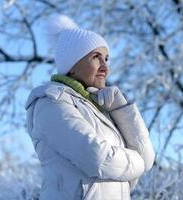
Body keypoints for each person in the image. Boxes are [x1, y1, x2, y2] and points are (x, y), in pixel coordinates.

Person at [25, 14, 155, 200]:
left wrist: (121, 110)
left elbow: (147, 159)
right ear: (71, 66)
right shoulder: (50, 103)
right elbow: (98, 159)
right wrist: (138, 162)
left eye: (106, 59)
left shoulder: (99, 109)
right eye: (96, 57)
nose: (105, 67)